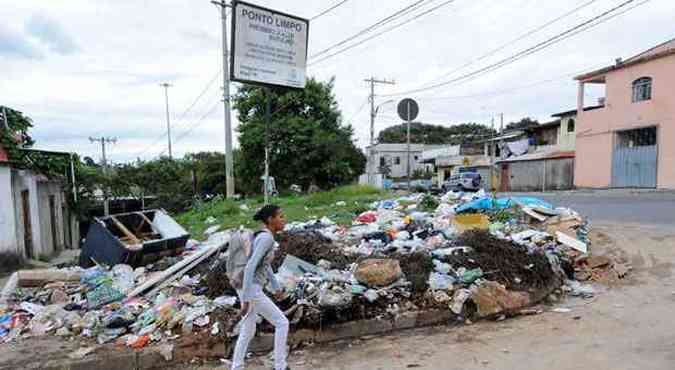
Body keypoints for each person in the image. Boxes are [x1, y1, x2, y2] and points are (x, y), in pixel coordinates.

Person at [231, 204, 290, 370]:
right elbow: (250, 267)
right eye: (280, 216)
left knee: (248, 330)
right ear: (271, 220)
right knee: (282, 323)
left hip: (246, 287)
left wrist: (276, 286)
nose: (283, 220)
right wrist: (247, 299)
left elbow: (263, 265)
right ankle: (280, 366)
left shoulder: (264, 236)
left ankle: (237, 367)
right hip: (251, 289)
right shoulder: (266, 239)